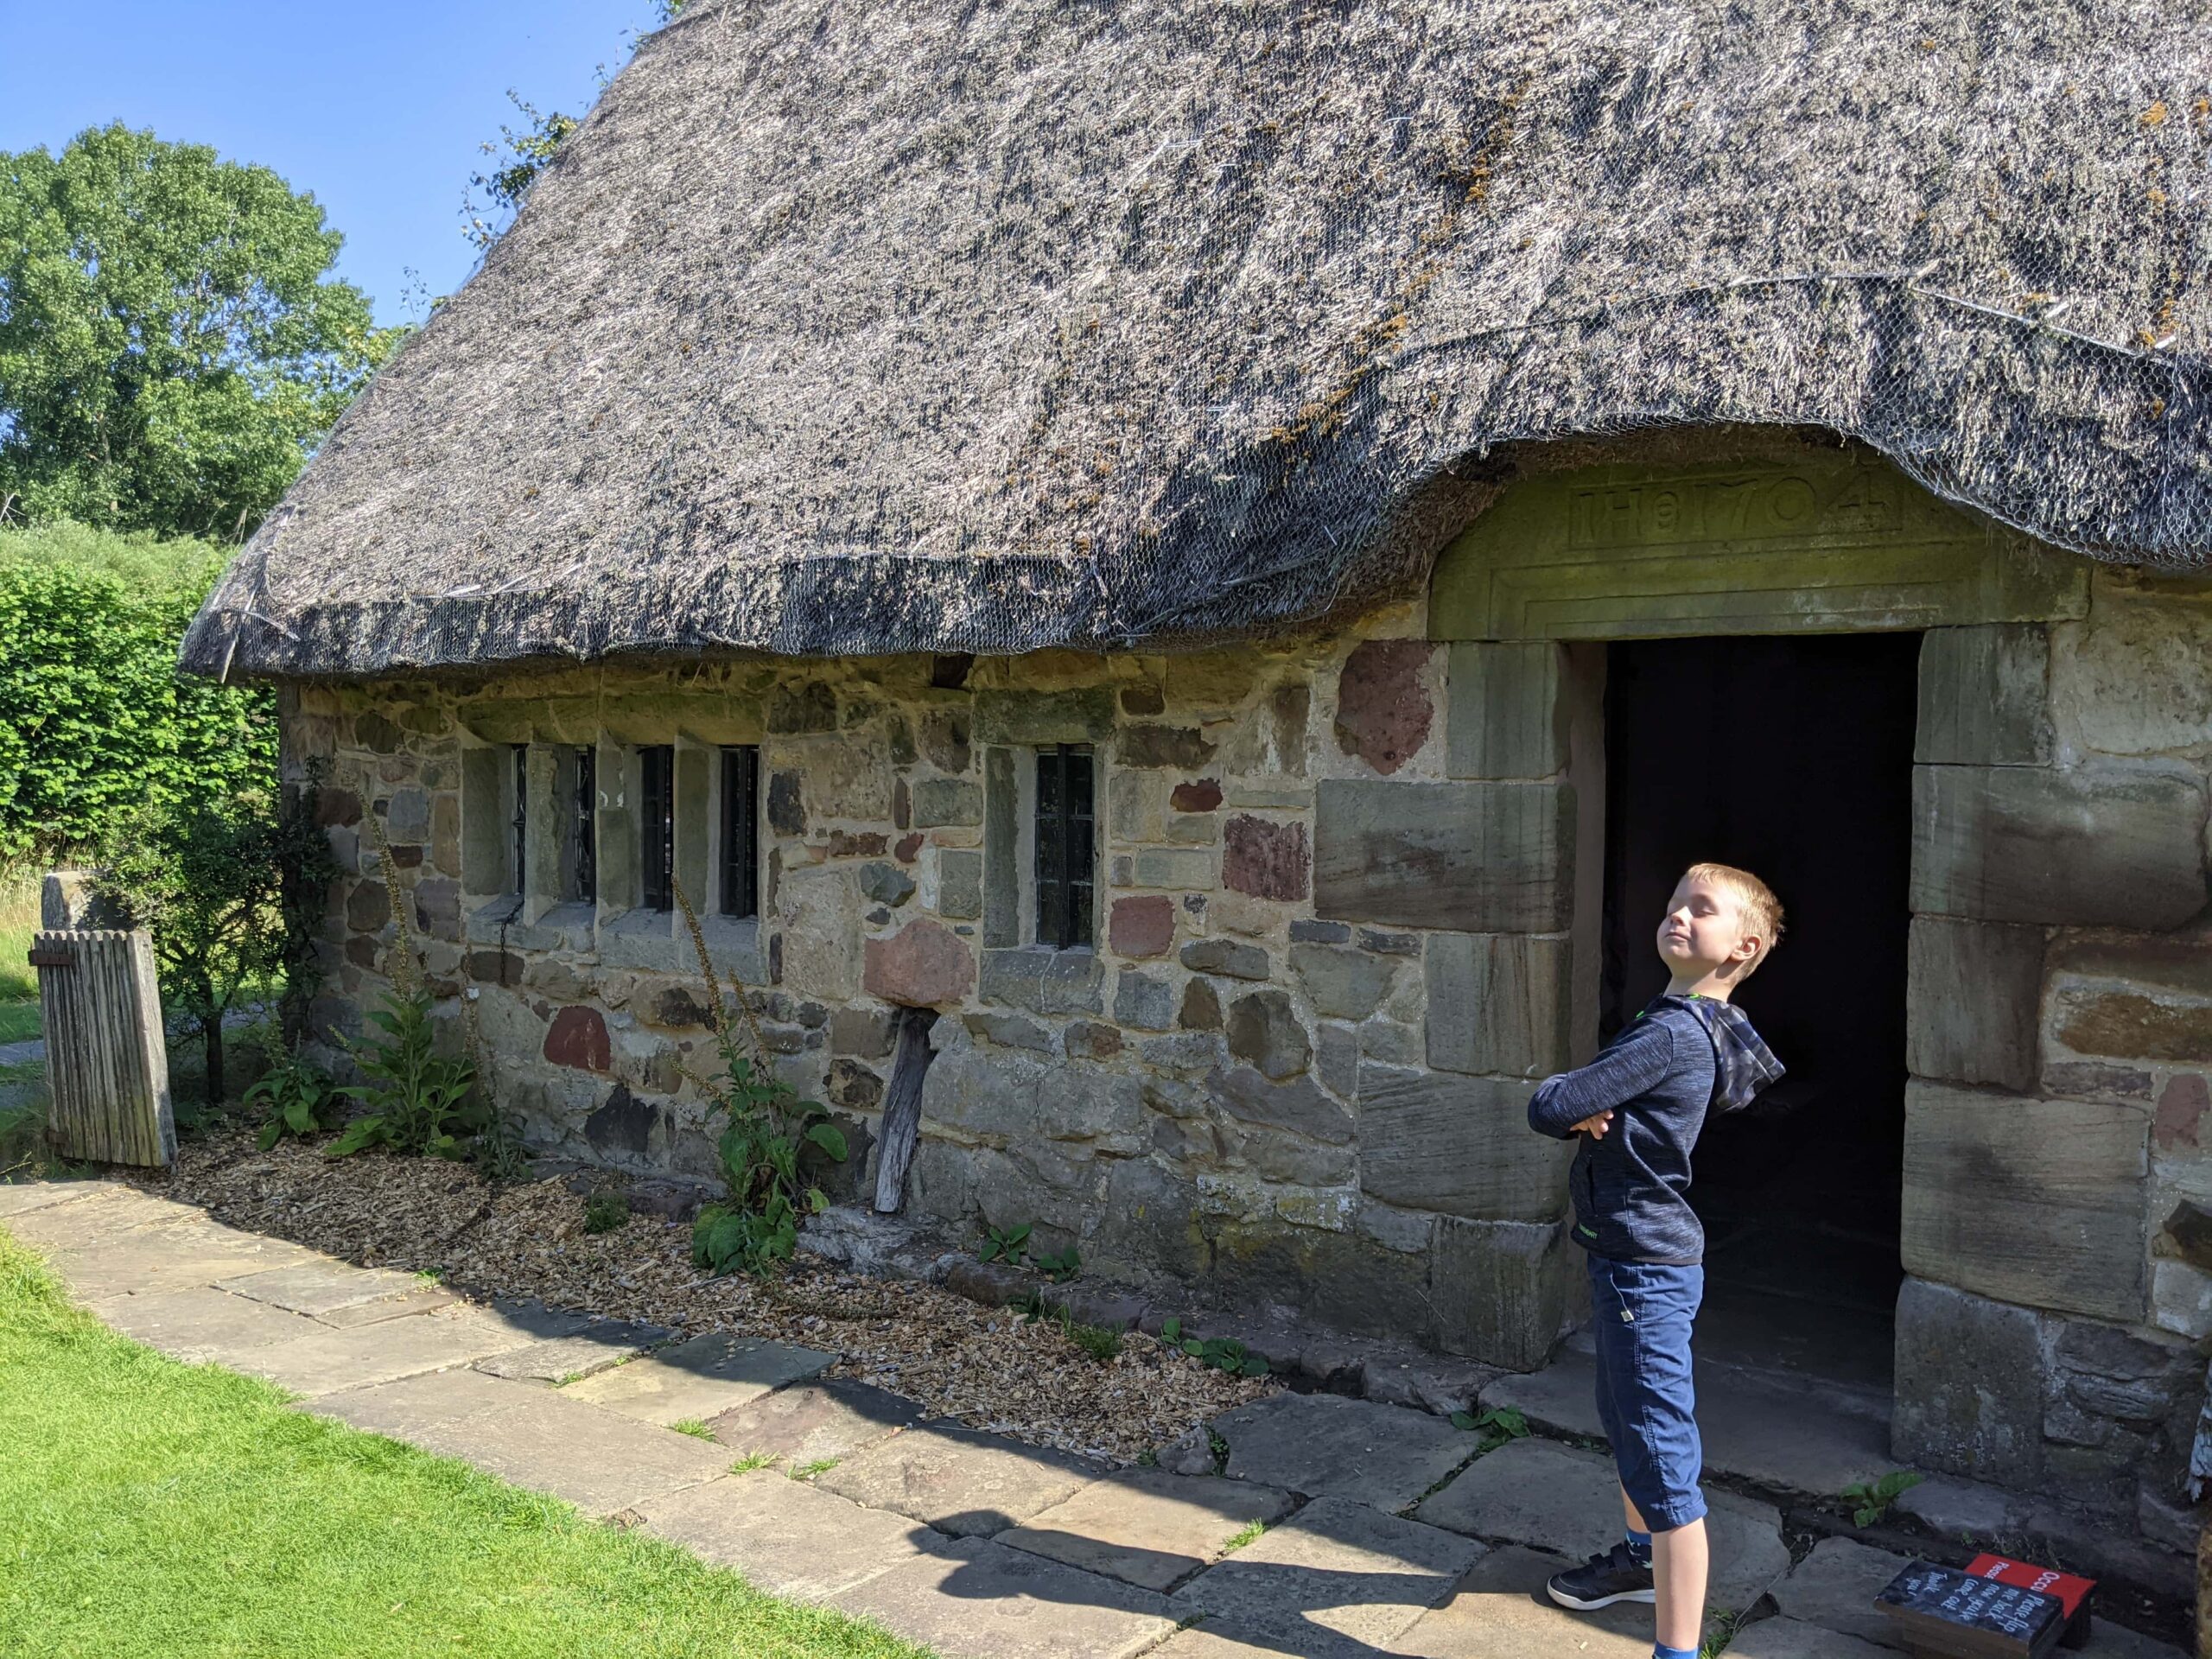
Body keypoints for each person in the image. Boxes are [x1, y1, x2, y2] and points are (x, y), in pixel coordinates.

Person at [1527, 861, 1787, 1659]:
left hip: (1644, 1265)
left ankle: (1676, 1651)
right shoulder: (1680, 1019)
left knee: (1664, 1458)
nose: (1678, 914)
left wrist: (1571, 1096)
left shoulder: (1674, 1032)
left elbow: (1552, 1106)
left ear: (1741, 948)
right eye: (1674, 901)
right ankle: (1640, 1564)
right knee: (1628, 1419)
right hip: (1636, 1260)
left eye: (1700, 909)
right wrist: (1588, 1098)